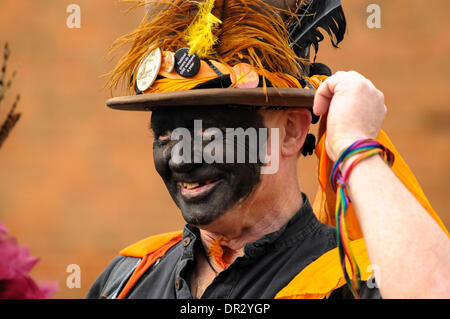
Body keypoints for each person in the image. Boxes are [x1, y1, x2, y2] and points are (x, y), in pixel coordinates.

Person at [87, 0, 450, 299]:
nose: (181, 158)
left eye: (208, 134)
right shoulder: (126, 279)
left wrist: (355, 144)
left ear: (291, 131)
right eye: (165, 136)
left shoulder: (354, 281)